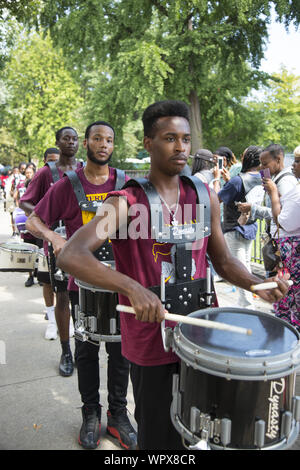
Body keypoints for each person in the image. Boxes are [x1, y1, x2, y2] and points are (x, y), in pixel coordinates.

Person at [56, 100, 290, 450]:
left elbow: (223, 261)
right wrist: (132, 288)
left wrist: (259, 285)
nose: (180, 147)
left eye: (185, 138)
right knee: (158, 435)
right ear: (149, 143)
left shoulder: (204, 195)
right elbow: (72, 254)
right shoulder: (124, 201)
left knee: (201, 434)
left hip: (201, 336)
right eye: (169, 138)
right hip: (152, 342)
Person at [25, 120, 137, 451]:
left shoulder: (127, 183)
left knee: (122, 353)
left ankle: (118, 414)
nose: (104, 144)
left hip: (120, 284)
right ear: (86, 143)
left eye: (110, 140)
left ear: (113, 146)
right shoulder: (67, 184)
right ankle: (91, 414)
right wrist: (54, 236)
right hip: (82, 287)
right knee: (86, 353)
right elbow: (34, 219)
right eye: (97, 139)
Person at [20, 128, 80, 370]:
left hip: (86, 243)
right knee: (63, 295)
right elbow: (25, 200)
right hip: (58, 243)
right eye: (66, 138)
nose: (71, 142)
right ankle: (66, 352)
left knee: (84, 297)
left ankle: (84, 350)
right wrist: (44, 217)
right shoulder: (47, 173)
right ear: (57, 142)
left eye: (75, 138)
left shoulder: (85, 170)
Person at [238, 144, 298, 276]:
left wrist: (253, 208)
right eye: (261, 163)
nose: (261, 168)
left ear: (278, 160)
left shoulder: (285, 182)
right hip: (275, 243)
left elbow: (283, 216)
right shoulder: (274, 179)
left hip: (282, 245)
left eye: (265, 164)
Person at [218, 146, 264, 308]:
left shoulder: (238, 180)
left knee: (240, 271)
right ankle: (246, 303)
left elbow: (217, 198)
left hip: (234, 228)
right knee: (246, 266)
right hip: (250, 227)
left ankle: (247, 306)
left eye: (243, 156)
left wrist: (219, 181)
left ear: (247, 159)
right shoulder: (261, 177)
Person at [262, 146, 300, 328]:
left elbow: (284, 221)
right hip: (289, 252)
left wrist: (274, 195)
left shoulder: (286, 183)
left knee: (290, 296)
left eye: (298, 161)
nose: (294, 165)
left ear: (277, 160)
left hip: (292, 252)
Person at [14, 163, 38, 287]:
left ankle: (40, 273)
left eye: (30, 172)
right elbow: (19, 201)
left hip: (40, 229)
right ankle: (30, 276)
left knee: (41, 253)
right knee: (29, 252)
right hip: (27, 229)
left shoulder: (40, 185)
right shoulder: (22, 185)